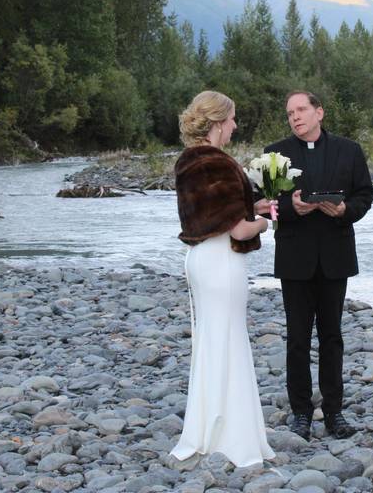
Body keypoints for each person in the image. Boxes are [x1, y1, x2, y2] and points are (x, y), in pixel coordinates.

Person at [170, 90, 276, 468]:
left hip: (200, 257)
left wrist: (255, 204)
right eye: (231, 119)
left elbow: (216, 210)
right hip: (221, 262)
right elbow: (241, 231)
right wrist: (270, 218)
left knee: (211, 342)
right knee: (229, 342)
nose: (234, 125)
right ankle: (232, 436)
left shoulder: (189, 160)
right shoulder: (217, 162)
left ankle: (206, 427)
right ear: (217, 121)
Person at [263, 90, 373, 440]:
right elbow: (265, 205)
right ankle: (300, 413)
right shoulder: (274, 153)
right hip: (294, 257)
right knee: (296, 339)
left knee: (332, 337)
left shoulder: (349, 150)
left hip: (335, 255)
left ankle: (334, 412)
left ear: (319, 112)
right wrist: (292, 208)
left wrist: (344, 211)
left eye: (301, 110)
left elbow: (365, 195)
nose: (295, 117)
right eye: (290, 112)